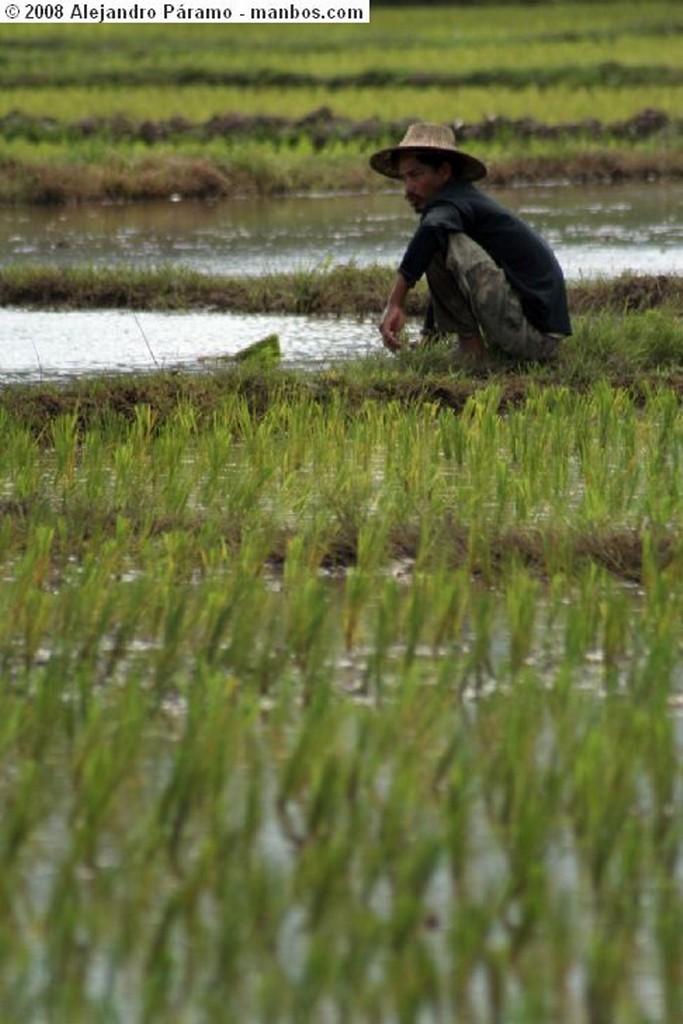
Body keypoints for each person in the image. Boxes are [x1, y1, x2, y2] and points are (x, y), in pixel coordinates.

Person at [370, 122, 571, 366]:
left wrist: (395, 302)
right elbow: (446, 270)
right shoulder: (458, 204)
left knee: (438, 238)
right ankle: (438, 339)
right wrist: (430, 335)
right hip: (531, 333)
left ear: (444, 172)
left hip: (536, 338)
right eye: (404, 178)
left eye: (415, 175)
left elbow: (433, 232)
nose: (407, 189)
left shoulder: (448, 209)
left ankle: (471, 350)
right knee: (436, 240)